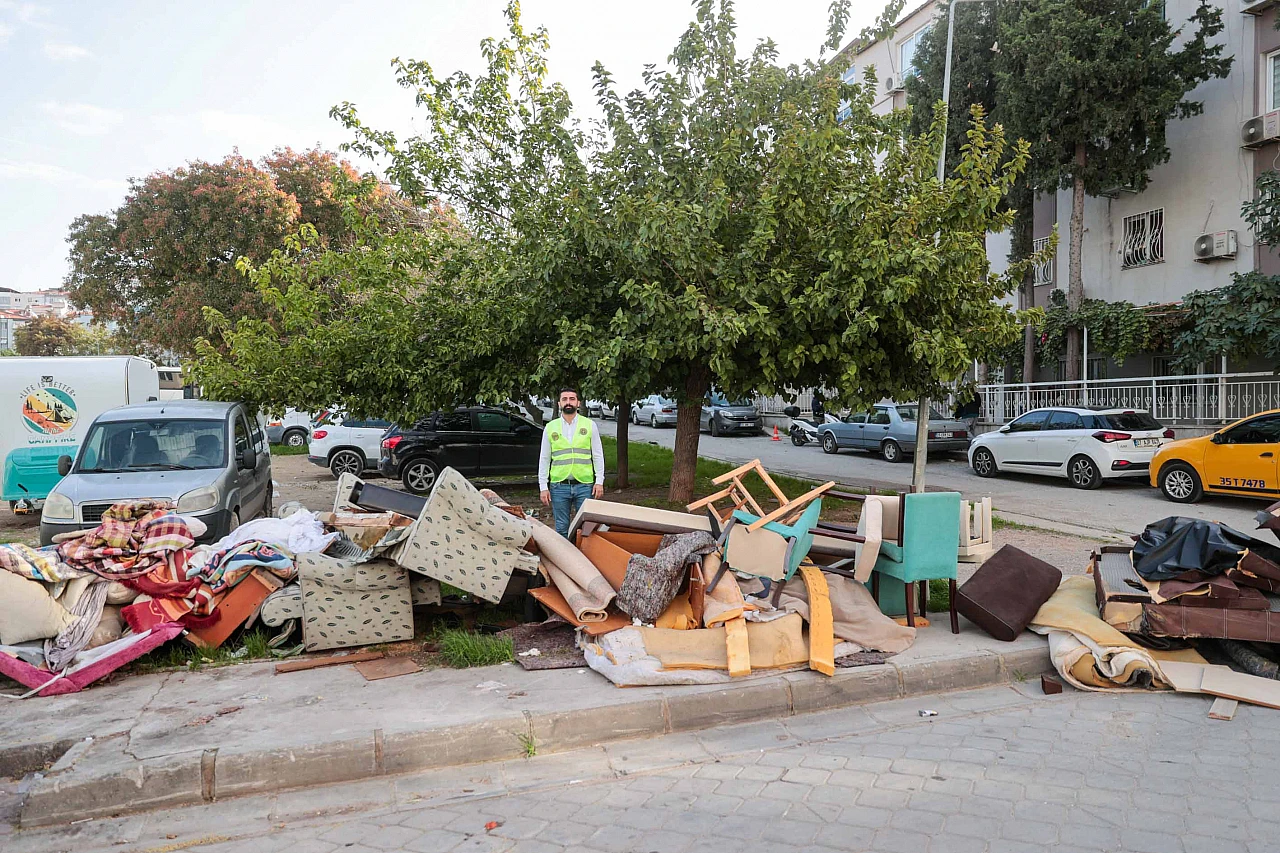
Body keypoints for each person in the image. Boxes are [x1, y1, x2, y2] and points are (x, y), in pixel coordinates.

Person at [539, 387, 605, 537]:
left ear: (578, 403)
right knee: (562, 528)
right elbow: (544, 459)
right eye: (565, 399)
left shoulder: (589, 425)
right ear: (559, 403)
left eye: (572, 399)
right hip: (559, 486)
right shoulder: (550, 428)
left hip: (585, 485)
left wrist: (599, 481)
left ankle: (583, 559)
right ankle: (565, 559)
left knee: (585, 528)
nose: (568, 402)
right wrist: (543, 486)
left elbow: (598, 455)